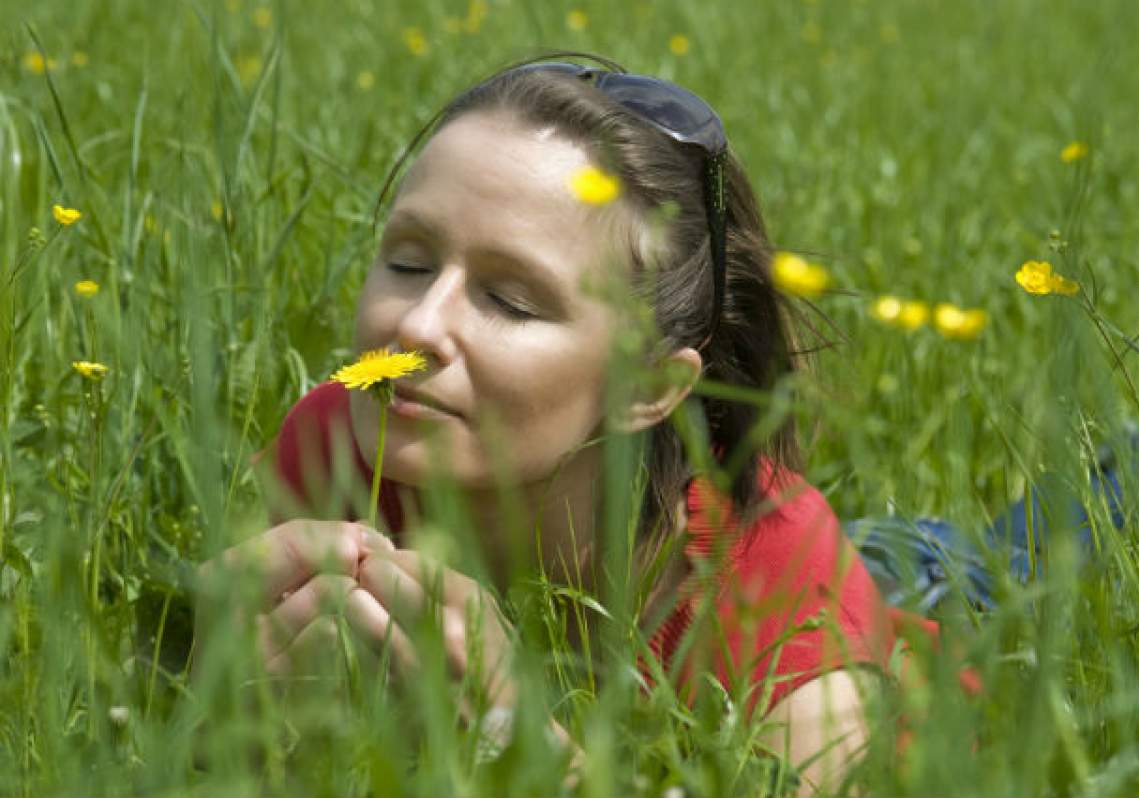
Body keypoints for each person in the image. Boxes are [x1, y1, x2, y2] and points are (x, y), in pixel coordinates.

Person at [194, 51, 898, 795]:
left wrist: (520, 737)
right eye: (407, 262)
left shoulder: (778, 588)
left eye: (511, 302)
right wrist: (217, 697)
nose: (418, 325)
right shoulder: (340, 437)